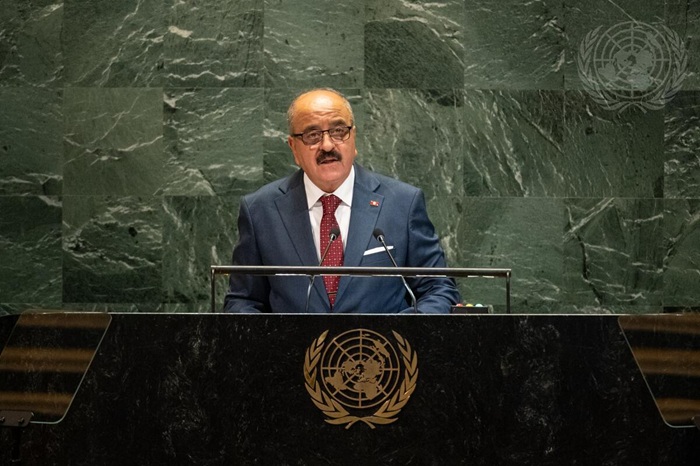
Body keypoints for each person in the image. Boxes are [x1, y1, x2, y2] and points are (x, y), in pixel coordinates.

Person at [223, 88, 460, 313]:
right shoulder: (260, 211)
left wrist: (398, 332)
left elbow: (437, 288)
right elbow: (243, 300)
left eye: (338, 131)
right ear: (294, 148)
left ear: (353, 137)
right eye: (312, 135)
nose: (327, 145)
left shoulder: (402, 203)